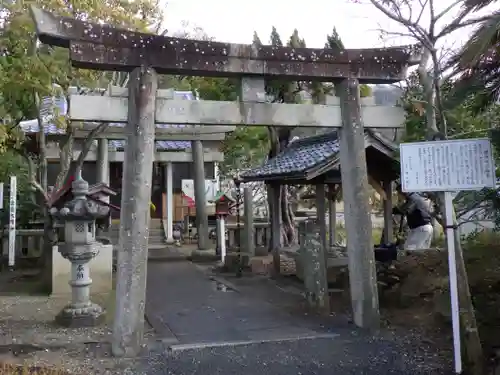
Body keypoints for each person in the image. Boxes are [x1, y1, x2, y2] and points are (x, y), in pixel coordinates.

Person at [393, 184, 433, 251]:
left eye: (398, 193)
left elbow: (404, 210)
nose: (398, 196)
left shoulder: (412, 199)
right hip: (425, 228)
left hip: (421, 229)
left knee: (409, 250)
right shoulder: (415, 197)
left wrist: (393, 209)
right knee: (422, 253)